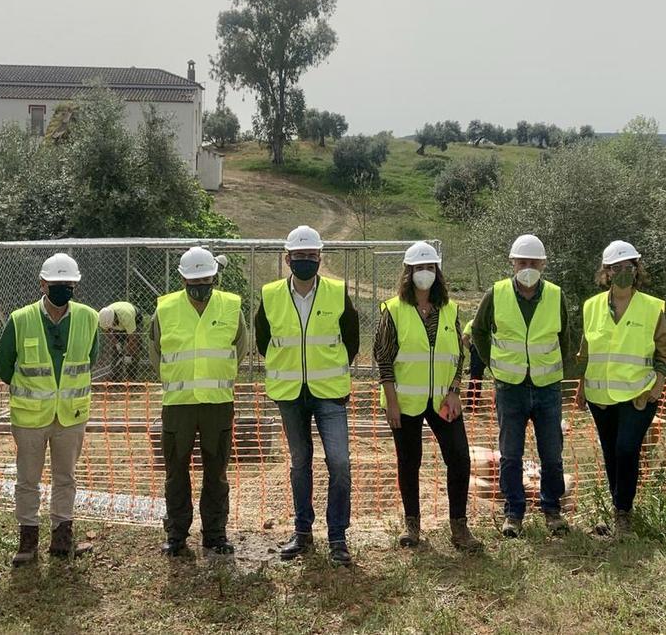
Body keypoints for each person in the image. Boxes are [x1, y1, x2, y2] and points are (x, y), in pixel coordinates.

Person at [255, 225, 360, 566]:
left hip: (329, 394)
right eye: (298, 257)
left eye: (310, 257)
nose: (304, 262)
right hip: (290, 394)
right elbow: (262, 340)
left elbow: (352, 339)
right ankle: (302, 532)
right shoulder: (270, 295)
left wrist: (334, 368)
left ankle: (337, 537)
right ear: (287, 259)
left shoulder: (336, 292)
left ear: (320, 258)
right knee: (300, 463)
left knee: (340, 463)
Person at [374, 242, 483, 553]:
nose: (425, 274)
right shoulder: (393, 310)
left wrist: (455, 391)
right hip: (404, 403)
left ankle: (459, 527)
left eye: (430, 268)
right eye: (419, 268)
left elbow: (459, 356)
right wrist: (391, 401)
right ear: (408, 273)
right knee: (409, 462)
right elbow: (383, 358)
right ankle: (412, 525)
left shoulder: (450, 310)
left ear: (438, 272)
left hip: (442, 402)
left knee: (460, 458)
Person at [0, 253, 99, 566]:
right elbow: (3, 366)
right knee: (27, 480)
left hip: (71, 416)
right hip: (30, 418)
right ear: (42, 283)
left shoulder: (89, 318)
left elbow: (90, 360)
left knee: (65, 477)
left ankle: (61, 538)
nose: (62, 289)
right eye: (56, 284)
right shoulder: (20, 319)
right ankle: (27, 542)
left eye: (68, 284)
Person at [471, 234, 576, 538]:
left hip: (547, 387)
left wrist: (556, 371)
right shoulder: (496, 293)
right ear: (512, 263)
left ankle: (552, 510)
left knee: (552, 453)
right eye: (522, 262)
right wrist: (495, 365)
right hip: (510, 388)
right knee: (510, 454)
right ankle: (513, 513)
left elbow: (565, 336)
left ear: (543, 264)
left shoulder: (556, 295)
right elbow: (478, 330)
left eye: (533, 262)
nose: (527, 267)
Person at [149, 247, 246, 558]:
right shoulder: (165, 310)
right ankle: (177, 534)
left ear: (215, 277)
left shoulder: (232, 307)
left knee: (216, 472)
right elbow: (156, 353)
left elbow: (240, 348)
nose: (201, 287)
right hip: (178, 406)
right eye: (194, 282)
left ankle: (215, 534)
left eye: (206, 280)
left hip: (217, 404)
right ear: (182, 279)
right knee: (176, 472)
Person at [576, 241, 666, 535]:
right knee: (610, 452)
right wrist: (581, 385)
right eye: (616, 268)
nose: (622, 273)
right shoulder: (591, 306)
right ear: (605, 273)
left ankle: (623, 512)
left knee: (627, 448)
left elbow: (664, 354)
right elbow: (585, 351)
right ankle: (619, 506)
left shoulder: (652, 307)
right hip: (600, 396)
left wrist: (656, 388)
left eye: (628, 267)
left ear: (637, 270)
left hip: (639, 394)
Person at [98, 301, 145, 380]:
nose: (111, 326)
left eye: (112, 324)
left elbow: (133, 338)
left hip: (135, 319)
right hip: (119, 323)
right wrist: (116, 344)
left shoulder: (126, 316)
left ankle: (131, 377)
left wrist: (128, 354)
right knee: (115, 351)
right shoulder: (103, 317)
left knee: (134, 350)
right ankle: (115, 376)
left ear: (115, 318)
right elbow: (106, 331)